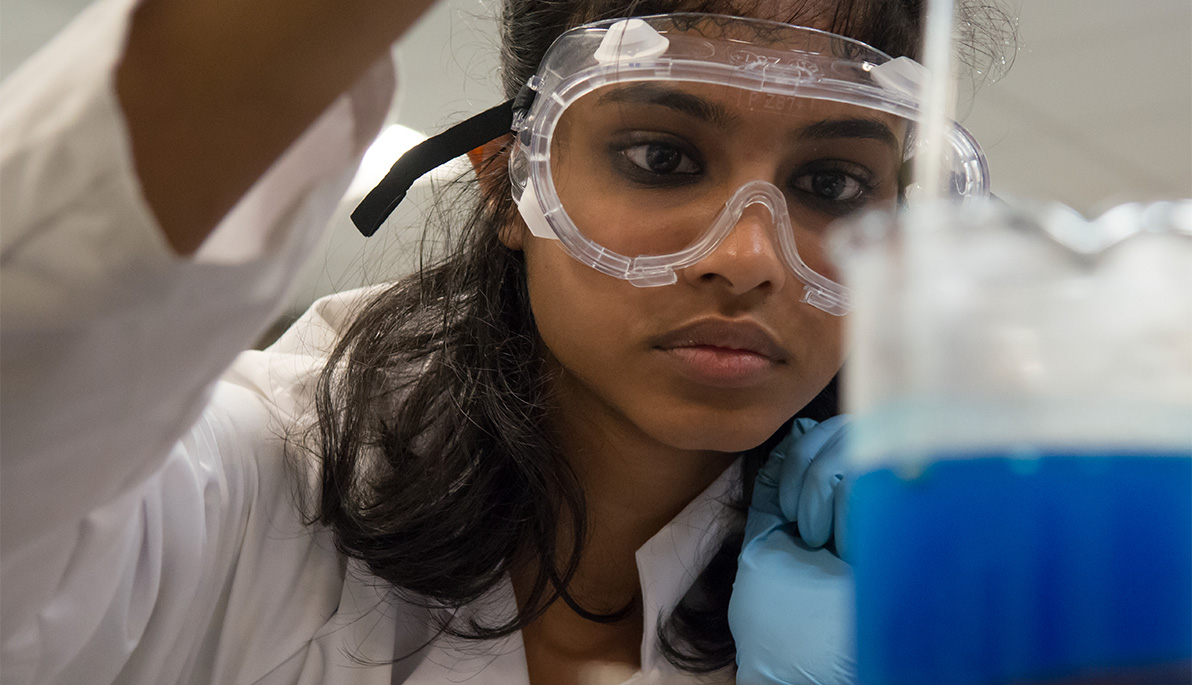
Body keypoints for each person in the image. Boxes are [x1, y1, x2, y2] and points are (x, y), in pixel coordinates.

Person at [0, 0, 1001, 683]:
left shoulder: (936, 575)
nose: (747, 257)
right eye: (661, 156)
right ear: (509, 185)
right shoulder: (246, 491)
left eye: (829, 183)